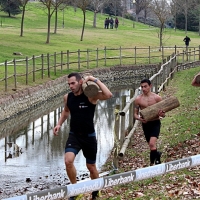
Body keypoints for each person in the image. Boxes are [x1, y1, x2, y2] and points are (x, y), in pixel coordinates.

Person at [53, 73, 112, 200]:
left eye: (73, 83)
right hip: (74, 136)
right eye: (69, 84)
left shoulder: (90, 96)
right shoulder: (67, 97)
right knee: (68, 161)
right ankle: (75, 189)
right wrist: (58, 124)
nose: (70, 86)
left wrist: (94, 79)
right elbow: (66, 111)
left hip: (89, 137)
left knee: (91, 167)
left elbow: (108, 95)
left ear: (80, 82)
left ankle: (96, 190)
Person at [134, 79, 165, 166]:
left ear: (150, 86)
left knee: (152, 143)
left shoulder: (157, 98)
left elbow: (164, 114)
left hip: (155, 122)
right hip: (145, 124)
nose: (143, 89)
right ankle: (157, 156)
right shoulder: (138, 99)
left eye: (145, 86)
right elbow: (135, 115)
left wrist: (161, 114)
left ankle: (155, 163)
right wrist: (140, 119)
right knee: (151, 146)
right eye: (142, 87)